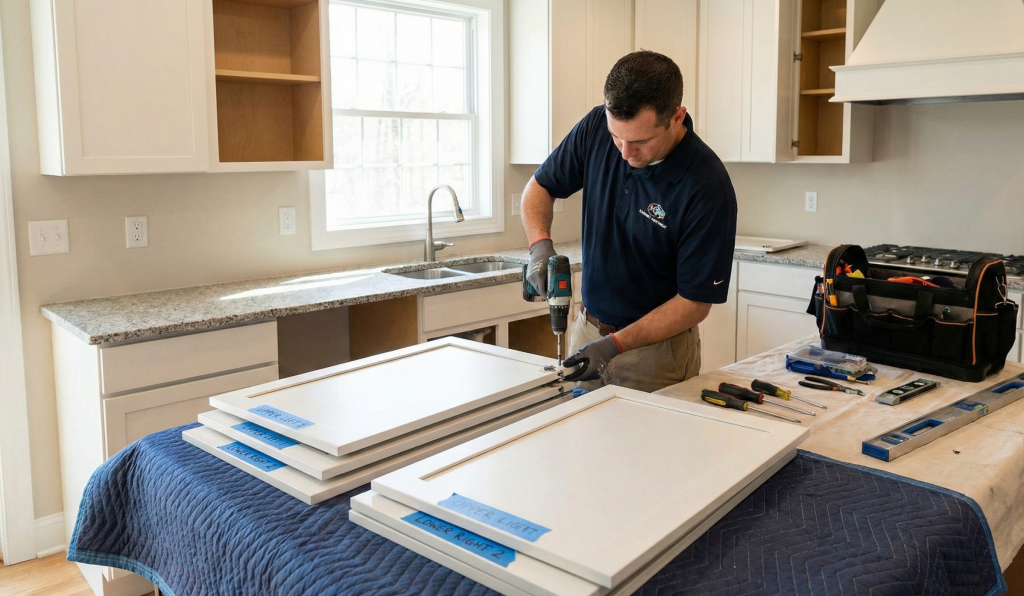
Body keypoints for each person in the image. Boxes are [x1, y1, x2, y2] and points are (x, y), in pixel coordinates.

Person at [520, 50, 737, 393]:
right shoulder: (595, 126)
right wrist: (539, 246)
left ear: (677, 117)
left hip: (655, 355)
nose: (624, 152)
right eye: (615, 137)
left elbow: (694, 304)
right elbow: (539, 187)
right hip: (587, 333)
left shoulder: (706, 187)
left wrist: (615, 345)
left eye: (640, 141)